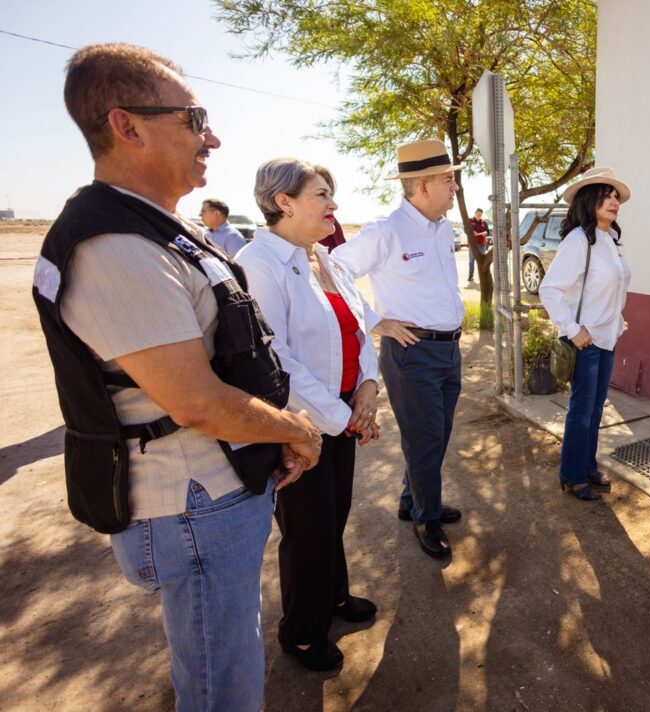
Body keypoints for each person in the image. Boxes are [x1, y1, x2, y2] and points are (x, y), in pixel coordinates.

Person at [31, 44, 322, 710]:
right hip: (192, 505)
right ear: (127, 126)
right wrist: (297, 430)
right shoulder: (114, 246)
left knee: (221, 658)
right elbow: (195, 401)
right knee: (225, 682)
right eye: (194, 119)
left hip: (216, 492)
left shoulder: (159, 229)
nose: (211, 137)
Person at [237, 158, 382, 671]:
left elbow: (360, 326)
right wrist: (342, 418)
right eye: (322, 194)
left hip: (343, 412)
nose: (333, 204)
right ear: (284, 202)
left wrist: (366, 387)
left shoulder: (325, 256)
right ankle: (301, 630)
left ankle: (333, 599)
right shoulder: (259, 263)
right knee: (307, 531)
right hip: (299, 425)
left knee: (333, 517)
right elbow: (275, 359)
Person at [332, 139, 466, 559]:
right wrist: (375, 321)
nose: (455, 187)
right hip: (412, 353)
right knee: (425, 438)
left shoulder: (443, 228)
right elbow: (334, 268)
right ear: (422, 185)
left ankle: (414, 500)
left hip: (448, 350)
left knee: (438, 434)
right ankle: (426, 519)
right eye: (449, 179)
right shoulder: (386, 230)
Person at [540, 167, 632, 501]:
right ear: (589, 200)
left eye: (616, 197)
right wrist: (572, 329)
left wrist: (617, 320)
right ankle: (572, 474)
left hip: (606, 338)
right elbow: (550, 289)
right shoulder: (579, 240)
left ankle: (588, 466)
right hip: (585, 340)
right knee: (581, 410)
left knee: (595, 409)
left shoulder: (609, 241)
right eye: (606, 196)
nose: (614, 202)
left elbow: (609, 288)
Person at [468, 207, 488, 283]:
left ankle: (483, 276)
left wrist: (482, 233)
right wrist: (473, 232)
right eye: (478, 214)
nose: (479, 216)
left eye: (480, 215)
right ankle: (470, 277)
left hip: (481, 244)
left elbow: (487, 232)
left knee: (482, 261)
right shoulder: (470, 221)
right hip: (472, 245)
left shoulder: (483, 222)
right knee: (471, 261)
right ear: (475, 213)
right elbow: (466, 230)